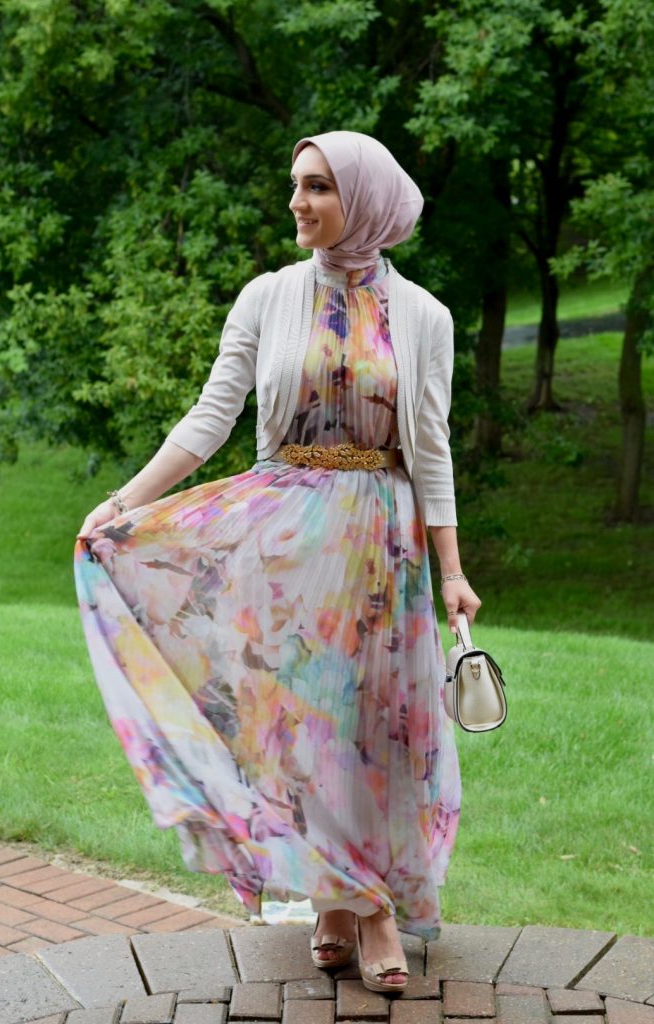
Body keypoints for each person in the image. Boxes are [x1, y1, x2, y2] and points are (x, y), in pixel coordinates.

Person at [75, 130, 481, 995]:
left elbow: (432, 449)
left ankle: (375, 911)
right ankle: (332, 901)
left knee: (375, 728)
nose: (298, 202)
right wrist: (124, 501)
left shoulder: (425, 316)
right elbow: (212, 414)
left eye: (318, 187)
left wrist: (452, 571)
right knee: (299, 725)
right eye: (296, 184)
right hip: (284, 541)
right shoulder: (266, 296)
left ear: (362, 201)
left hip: (382, 549)